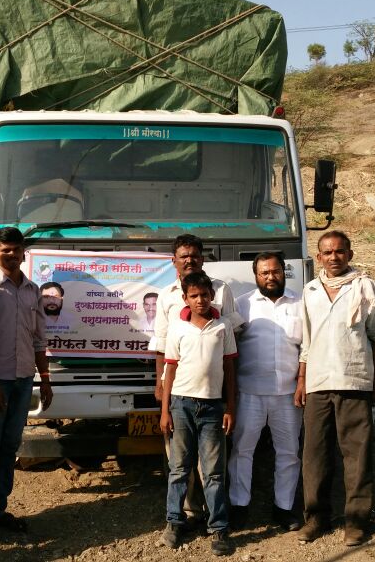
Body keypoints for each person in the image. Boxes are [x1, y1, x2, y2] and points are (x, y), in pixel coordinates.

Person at [295, 230, 375, 546]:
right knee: (315, 456)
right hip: (318, 383)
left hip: (355, 380)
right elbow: (307, 342)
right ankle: (315, 519)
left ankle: (357, 523)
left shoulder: (366, 287)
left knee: (357, 456)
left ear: (349, 253)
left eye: (340, 251)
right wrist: (302, 380)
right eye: (327, 252)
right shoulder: (309, 290)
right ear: (318, 257)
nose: (334, 257)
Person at [153, 234, 243, 529]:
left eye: (194, 255)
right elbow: (163, 345)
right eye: (183, 256)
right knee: (179, 464)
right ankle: (188, 514)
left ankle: (214, 518)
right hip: (179, 393)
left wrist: (231, 400)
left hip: (213, 396)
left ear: (202, 258)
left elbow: (232, 340)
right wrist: (160, 382)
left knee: (212, 466)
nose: (189, 259)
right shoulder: (166, 295)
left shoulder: (222, 290)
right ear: (174, 261)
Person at [0, 226, 53, 538]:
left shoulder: (33, 290)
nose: (11, 254)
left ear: (24, 252)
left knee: (9, 447)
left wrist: (44, 379)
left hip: (23, 380)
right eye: (4, 249)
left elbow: (38, 340)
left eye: (16, 249)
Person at [159, 271, 238, 557]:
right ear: (185, 298)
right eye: (194, 295)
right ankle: (174, 522)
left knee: (214, 471)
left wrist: (231, 407)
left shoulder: (223, 327)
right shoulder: (177, 329)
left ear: (211, 295)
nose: (200, 300)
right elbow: (170, 370)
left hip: (213, 407)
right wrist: (165, 411)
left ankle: (218, 528)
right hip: (181, 405)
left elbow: (230, 369)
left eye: (205, 295)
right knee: (179, 468)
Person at [227, 252, 303, 532]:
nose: (271, 277)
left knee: (289, 453)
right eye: (264, 273)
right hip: (250, 393)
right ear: (256, 276)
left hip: (287, 394)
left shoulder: (300, 303)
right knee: (242, 451)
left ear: (284, 271)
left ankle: (283, 508)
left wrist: (303, 383)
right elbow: (230, 348)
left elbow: (306, 348)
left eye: (276, 271)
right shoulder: (243, 305)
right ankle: (239, 505)